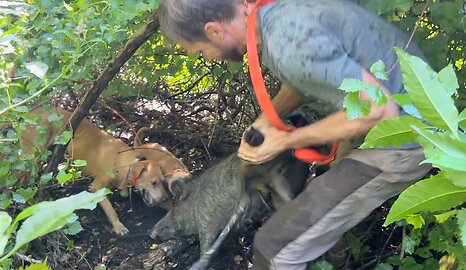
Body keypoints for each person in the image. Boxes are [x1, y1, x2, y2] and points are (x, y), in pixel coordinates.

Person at [158, 0, 432, 269]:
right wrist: (268, 120)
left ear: (214, 31)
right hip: (403, 117)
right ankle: (336, 257)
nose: (208, 57)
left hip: (403, 140)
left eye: (200, 51)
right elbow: (308, 75)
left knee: (275, 248)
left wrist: (285, 141)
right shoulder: (279, 15)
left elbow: (378, 110)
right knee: (313, 204)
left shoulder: (285, 45)